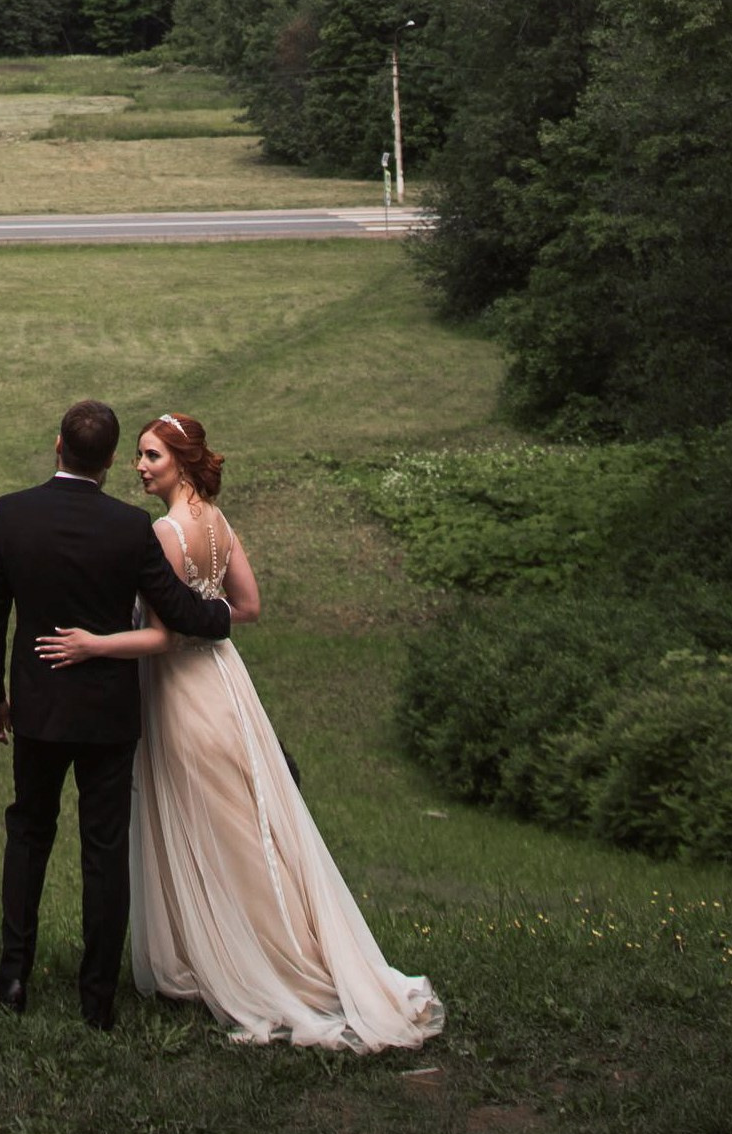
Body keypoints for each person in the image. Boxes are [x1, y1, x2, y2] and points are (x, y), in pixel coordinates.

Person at [35, 410, 444, 1053]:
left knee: (209, 823)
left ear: (182, 461)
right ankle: (258, 942)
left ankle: (246, 958)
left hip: (178, 689)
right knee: (245, 822)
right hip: (226, 681)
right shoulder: (219, 524)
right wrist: (207, 616)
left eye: (152, 458)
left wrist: (95, 643)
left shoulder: (166, 533)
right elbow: (247, 607)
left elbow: (164, 634)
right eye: (138, 456)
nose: (140, 468)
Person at [0, 398, 236, 1030]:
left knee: (30, 834)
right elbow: (177, 606)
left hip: (36, 706)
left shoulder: (13, 513)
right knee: (104, 849)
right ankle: (98, 1001)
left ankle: (13, 977)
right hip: (109, 716)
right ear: (113, 459)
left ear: (58, 446)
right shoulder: (128, 527)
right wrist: (221, 615)